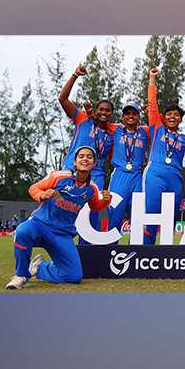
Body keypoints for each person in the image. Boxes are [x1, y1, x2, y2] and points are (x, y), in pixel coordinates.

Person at [6, 146, 112, 289]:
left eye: (89, 157)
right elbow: (33, 188)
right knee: (22, 231)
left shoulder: (91, 188)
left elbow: (95, 206)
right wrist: (42, 195)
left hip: (62, 234)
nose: (85, 159)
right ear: (74, 162)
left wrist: (106, 201)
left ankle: (40, 268)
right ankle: (21, 275)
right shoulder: (59, 177)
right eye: (81, 156)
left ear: (94, 163)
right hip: (40, 225)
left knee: (73, 277)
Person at [142, 68, 185, 245]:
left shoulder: (184, 139)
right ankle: (146, 251)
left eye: (176, 115)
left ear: (180, 119)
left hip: (175, 178)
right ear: (164, 117)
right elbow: (152, 104)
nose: (172, 117)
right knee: (151, 213)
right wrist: (152, 79)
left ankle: (166, 254)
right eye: (169, 114)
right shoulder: (157, 128)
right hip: (155, 174)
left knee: (172, 216)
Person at [59, 66, 115, 243]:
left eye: (108, 110)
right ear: (95, 111)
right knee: (62, 211)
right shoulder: (83, 120)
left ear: (111, 114)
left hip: (96, 175)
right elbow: (62, 98)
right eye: (101, 109)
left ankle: (85, 253)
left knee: (91, 212)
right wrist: (75, 75)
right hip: (70, 170)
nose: (104, 113)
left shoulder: (112, 134)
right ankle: (60, 249)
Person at [107, 102, 150, 237]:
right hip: (119, 175)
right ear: (122, 117)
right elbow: (98, 123)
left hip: (137, 176)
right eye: (127, 114)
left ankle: (135, 251)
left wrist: (151, 111)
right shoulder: (115, 129)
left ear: (138, 117)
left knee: (138, 214)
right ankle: (110, 250)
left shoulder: (145, 131)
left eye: (134, 114)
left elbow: (159, 125)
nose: (130, 116)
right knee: (115, 213)